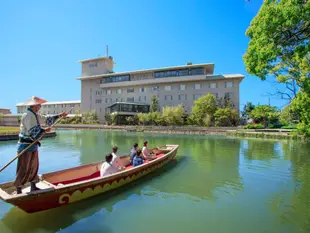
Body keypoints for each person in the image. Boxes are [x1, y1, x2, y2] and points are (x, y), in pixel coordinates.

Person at [14, 96, 68, 194]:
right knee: (23, 167)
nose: (40, 106)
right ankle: (18, 189)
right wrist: (44, 130)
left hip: (33, 145)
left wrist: (60, 115)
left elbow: (46, 119)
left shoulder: (35, 114)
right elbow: (32, 131)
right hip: (25, 145)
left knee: (34, 166)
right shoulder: (27, 115)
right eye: (39, 105)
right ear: (35, 105)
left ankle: (33, 186)